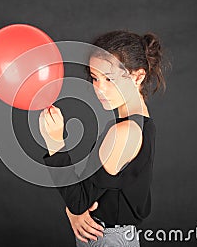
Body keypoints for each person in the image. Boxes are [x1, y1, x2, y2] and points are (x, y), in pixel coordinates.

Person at [39, 30, 167, 246]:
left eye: (109, 78)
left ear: (138, 76)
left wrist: (55, 144)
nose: (99, 88)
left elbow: (79, 201)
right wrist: (75, 207)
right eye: (95, 78)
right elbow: (87, 194)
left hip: (106, 239)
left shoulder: (124, 133)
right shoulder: (141, 124)